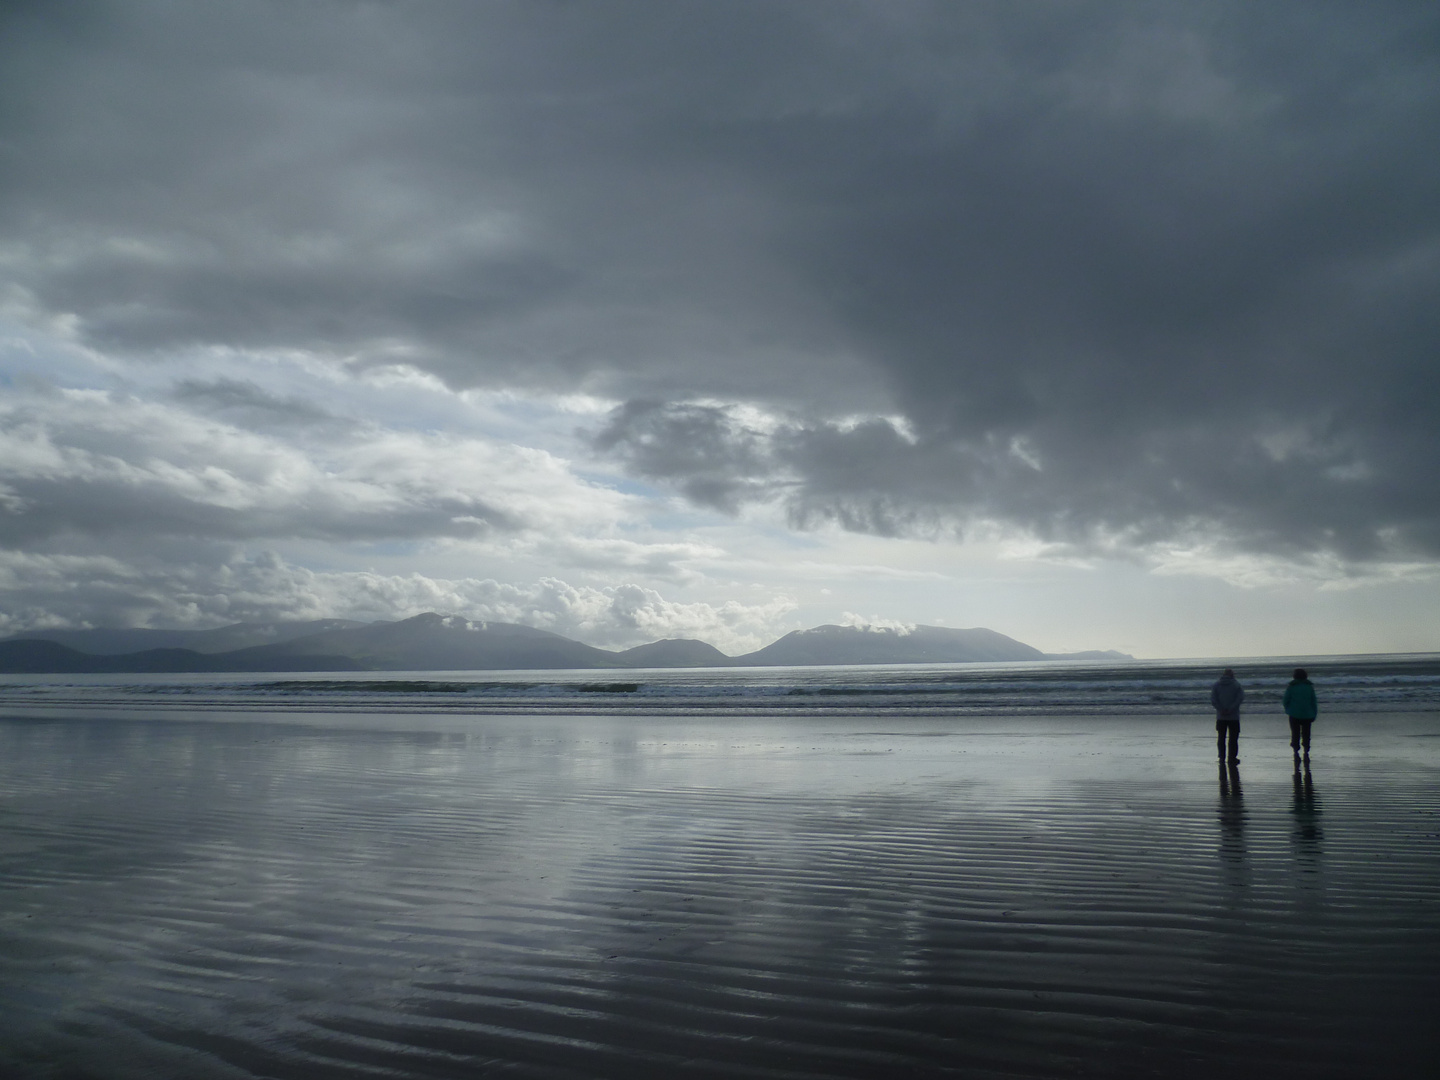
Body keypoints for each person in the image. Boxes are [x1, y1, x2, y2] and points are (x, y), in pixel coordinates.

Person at [1283, 667, 1318, 759]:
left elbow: (1285, 700)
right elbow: (1313, 701)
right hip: (1308, 714)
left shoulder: (1291, 687)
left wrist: (1288, 709)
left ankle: (1295, 749)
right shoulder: (1309, 687)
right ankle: (1306, 749)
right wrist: (1314, 713)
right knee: (1306, 733)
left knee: (1295, 733)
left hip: (1294, 713)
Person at [1210, 667, 1244, 763]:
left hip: (1221, 716)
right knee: (1233, 738)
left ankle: (1222, 757)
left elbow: (1213, 699)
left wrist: (1220, 709)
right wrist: (1231, 709)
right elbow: (1240, 698)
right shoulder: (1236, 685)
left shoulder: (1216, 685)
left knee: (1221, 737)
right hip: (1233, 716)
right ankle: (1232, 757)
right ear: (1232, 675)